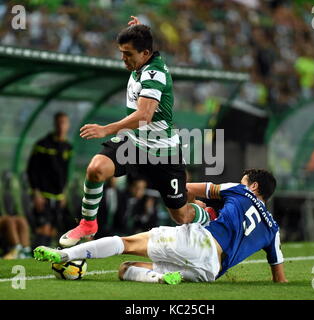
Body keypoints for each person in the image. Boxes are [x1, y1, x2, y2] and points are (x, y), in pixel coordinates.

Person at [60, 16, 211, 248]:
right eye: (122, 52)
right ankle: (88, 224)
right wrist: (138, 30)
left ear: (146, 54)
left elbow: (144, 116)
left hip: (163, 153)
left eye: (128, 54)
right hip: (134, 145)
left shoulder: (155, 74)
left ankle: (210, 214)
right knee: (95, 169)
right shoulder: (143, 60)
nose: (123, 58)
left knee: (180, 216)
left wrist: (106, 129)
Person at [34, 169, 287, 284]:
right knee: (125, 270)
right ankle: (160, 278)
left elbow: (186, 190)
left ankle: (64, 254)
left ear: (253, 186)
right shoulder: (273, 229)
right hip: (211, 272)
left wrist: (174, 189)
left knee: (126, 243)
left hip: (200, 244)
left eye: (244, 181)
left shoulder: (240, 190)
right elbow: (279, 278)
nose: (241, 183)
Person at [26, 111, 73, 247]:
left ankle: (49, 257)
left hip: (59, 196)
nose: (61, 126)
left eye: (64, 123)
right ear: (54, 124)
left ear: (68, 125)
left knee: (53, 229)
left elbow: (65, 173)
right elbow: (31, 170)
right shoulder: (42, 145)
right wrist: (35, 192)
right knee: (43, 227)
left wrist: (64, 193)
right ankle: (34, 257)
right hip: (42, 194)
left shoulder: (68, 147)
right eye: (59, 123)